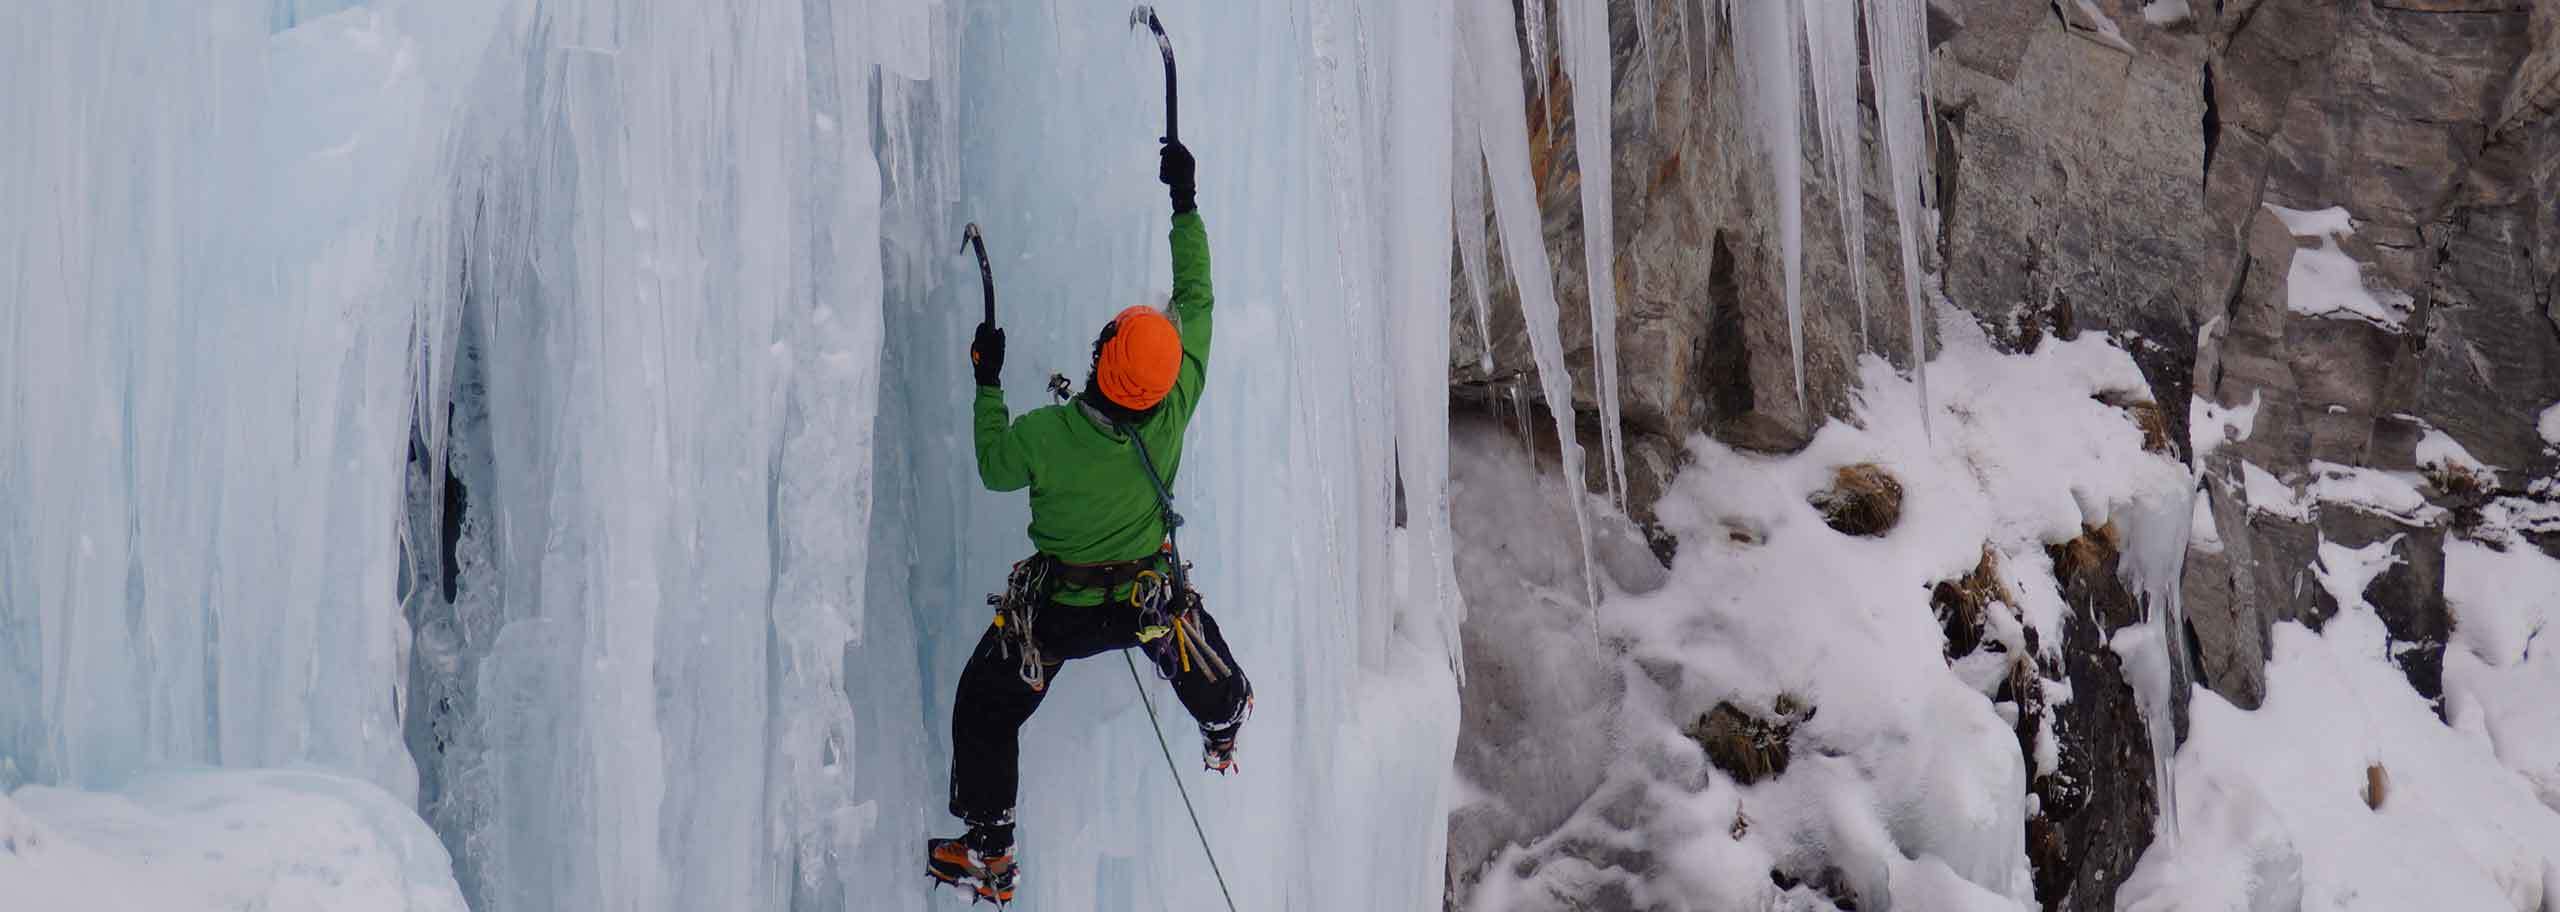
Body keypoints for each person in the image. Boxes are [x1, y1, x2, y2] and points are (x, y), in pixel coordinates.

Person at [926, 139, 1252, 905]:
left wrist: (987, 382)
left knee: (986, 705)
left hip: (1061, 619)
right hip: (1139, 603)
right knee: (1174, 628)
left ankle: (990, 849)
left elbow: (995, 466)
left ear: (1103, 359)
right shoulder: (1173, 411)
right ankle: (1223, 710)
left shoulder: (1044, 437)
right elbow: (1197, 300)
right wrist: (1185, 204)